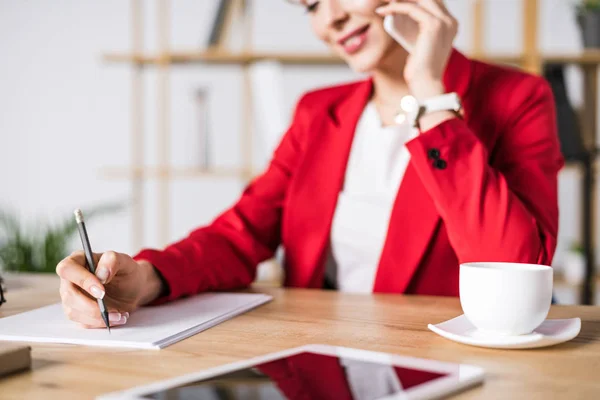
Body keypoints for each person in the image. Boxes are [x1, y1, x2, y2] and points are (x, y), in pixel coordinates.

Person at [56, 0, 563, 328]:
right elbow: (239, 234)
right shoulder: (318, 112)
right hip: (320, 368)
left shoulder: (517, 98)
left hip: (445, 371)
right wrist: (147, 278)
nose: (328, 20)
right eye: (312, 5)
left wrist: (431, 96)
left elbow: (517, 270)